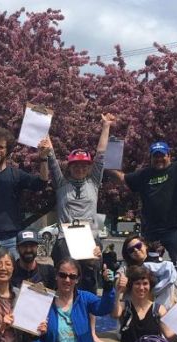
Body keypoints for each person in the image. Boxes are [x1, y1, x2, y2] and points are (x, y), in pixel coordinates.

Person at [40, 113, 115, 292]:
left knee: (89, 283)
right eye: (76, 165)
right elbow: (50, 156)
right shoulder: (61, 183)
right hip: (65, 237)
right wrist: (41, 122)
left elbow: (101, 155)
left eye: (84, 165)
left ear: (89, 168)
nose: (80, 168)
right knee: (66, 281)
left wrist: (106, 126)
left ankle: (90, 320)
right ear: (70, 167)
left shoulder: (94, 182)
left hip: (89, 236)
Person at [119, 234, 177, 310]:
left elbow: (176, 291)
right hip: (136, 310)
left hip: (164, 310)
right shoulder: (125, 267)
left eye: (138, 246)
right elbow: (118, 282)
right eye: (131, 250)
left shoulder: (165, 266)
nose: (135, 250)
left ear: (145, 245)